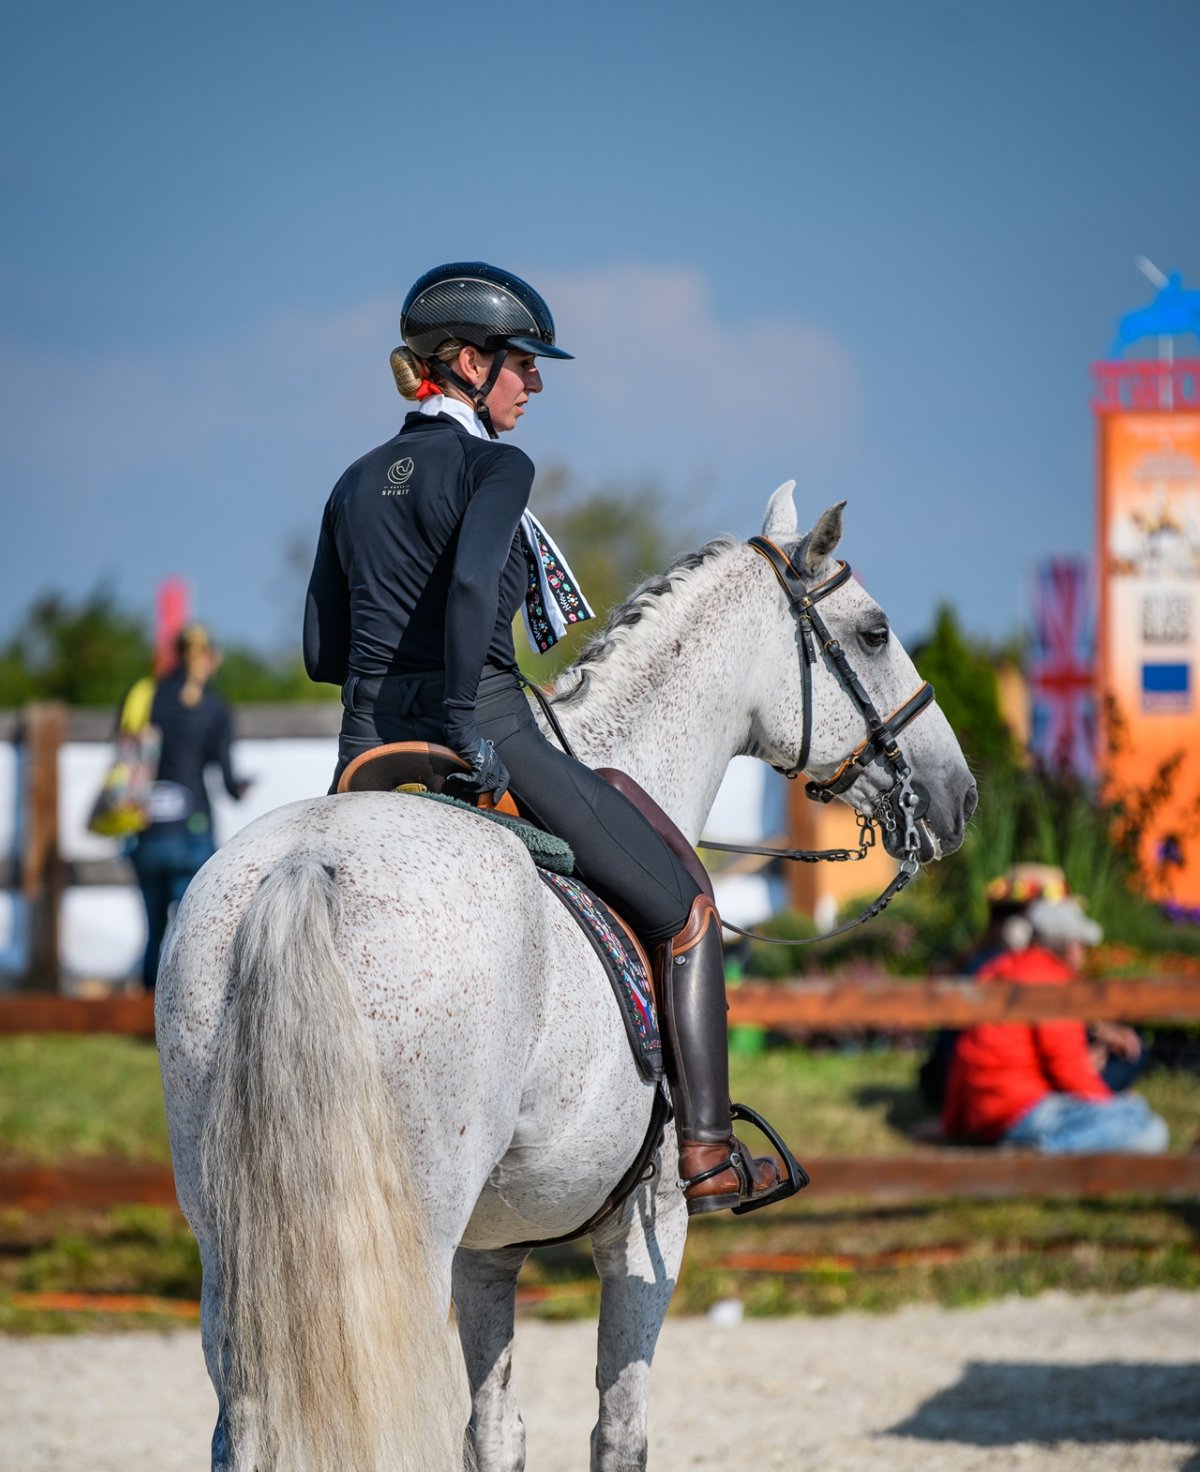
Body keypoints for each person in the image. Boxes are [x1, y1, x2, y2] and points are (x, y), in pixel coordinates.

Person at [302, 261, 798, 1214]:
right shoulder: (496, 467)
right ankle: (705, 1157)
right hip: (481, 724)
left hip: (363, 749)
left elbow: (324, 649)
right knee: (686, 910)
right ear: (467, 363)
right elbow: (472, 589)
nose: (536, 383)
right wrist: (460, 716)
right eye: (524, 363)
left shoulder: (354, 481)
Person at [941, 892, 1167, 1153]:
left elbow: (965, 1050)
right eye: (1083, 945)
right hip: (1020, 1111)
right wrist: (1105, 1103)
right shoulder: (1051, 983)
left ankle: (1045, 1150)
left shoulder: (1001, 968)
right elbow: (1067, 1068)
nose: (1084, 952)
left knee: (1132, 1109)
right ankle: (1044, 1156)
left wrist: (952, 1122)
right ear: (1070, 947)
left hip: (989, 1108)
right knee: (1149, 1130)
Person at [127, 623, 251, 990]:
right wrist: (242, 787)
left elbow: (125, 754)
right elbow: (229, 784)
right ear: (208, 657)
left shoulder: (147, 698)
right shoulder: (215, 708)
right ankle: (182, 1012)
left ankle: (143, 1019)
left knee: (154, 933)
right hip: (193, 833)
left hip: (147, 831)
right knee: (191, 934)